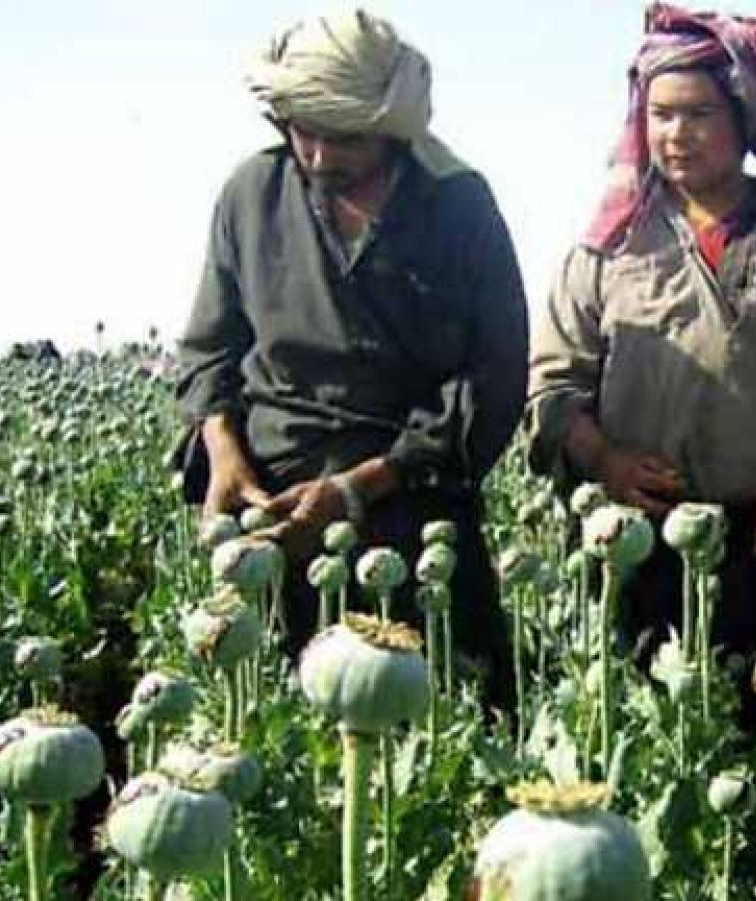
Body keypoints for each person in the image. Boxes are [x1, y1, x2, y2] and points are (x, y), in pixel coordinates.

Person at [526, 4, 756, 682]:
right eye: (660, 114)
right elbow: (552, 388)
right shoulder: (608, 248)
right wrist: (606, 460)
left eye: (698, 114)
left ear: (744, 119)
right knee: (642, 719)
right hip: (638, 549)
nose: (677, 134)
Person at [175, 10, 528, 707]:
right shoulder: (252, 194)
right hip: (276, 518)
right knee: (276, 727)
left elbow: (491, 378)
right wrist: (223, 453)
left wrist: (362, 486)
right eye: (303, 130)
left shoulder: (457, 205)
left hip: (414, 515)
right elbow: (209, 347)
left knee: (451, 720)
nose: (318, 155)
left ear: (389, 127)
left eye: (344, 137)